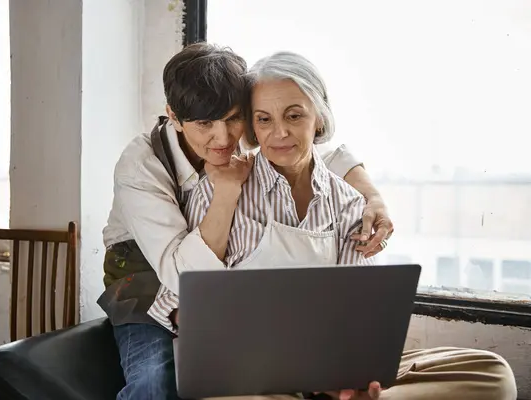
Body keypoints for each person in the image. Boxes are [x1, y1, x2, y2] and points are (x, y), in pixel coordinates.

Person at [167, 51, 517, 400]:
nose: (280, 132)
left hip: (332, 370)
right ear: (253, 127)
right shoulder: (219, 189)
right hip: (249, 378)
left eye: (294, 115)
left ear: (318, 118)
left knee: (493, 374)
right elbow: (181, 304)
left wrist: (356, 377)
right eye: (263, 119)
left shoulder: (349, 203)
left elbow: (357, 317)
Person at [98, 43, 395, 400]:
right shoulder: (142, 166)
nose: (223, 139)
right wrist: (225, 194)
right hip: (145, 273)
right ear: (174, 117)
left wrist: (371, 197)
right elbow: (180, 284)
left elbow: (310, 148)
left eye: (233, 118)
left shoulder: (265, 154)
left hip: (219, 297)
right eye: (205, 123)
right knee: (156, 383)